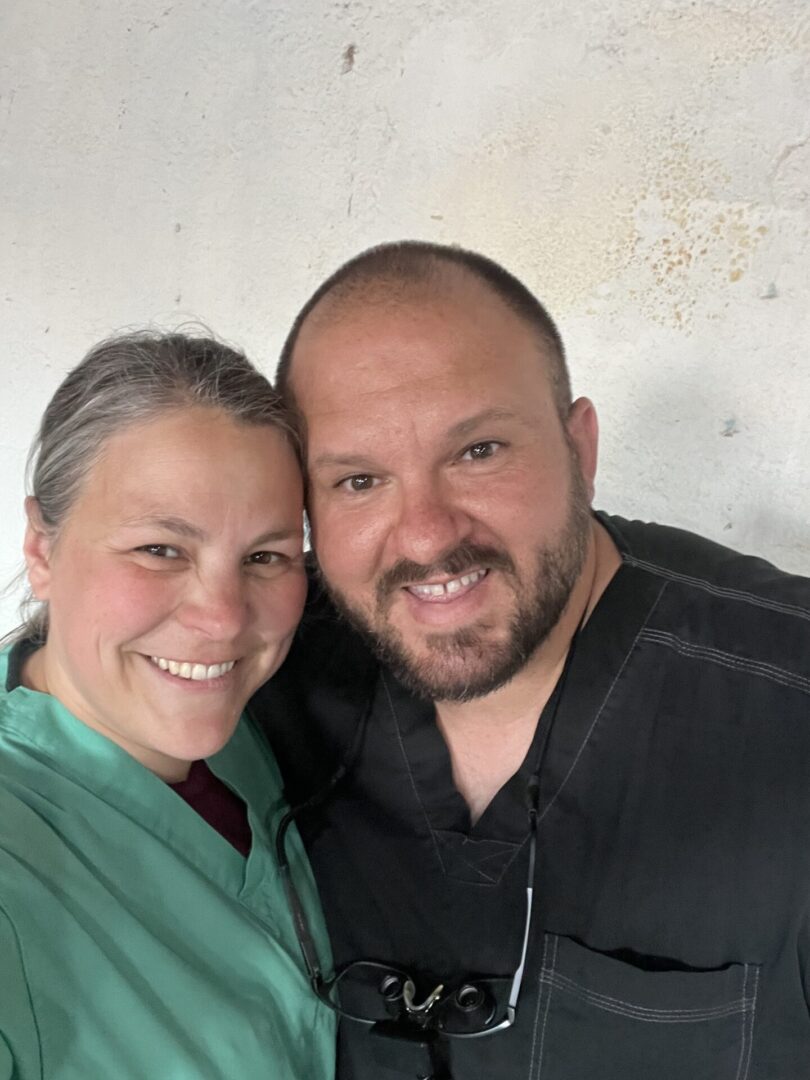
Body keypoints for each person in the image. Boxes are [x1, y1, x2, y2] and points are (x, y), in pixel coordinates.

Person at [255, 240, 810, 1080]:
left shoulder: (787, 704)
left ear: (579, 449)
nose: (429, 535)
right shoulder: (252, 674)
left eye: (478, 451)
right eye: (359, 481)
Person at [0, 332, 335, 1079]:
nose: (223, 618)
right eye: (159, 549)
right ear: (43, 549)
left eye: (265, 557)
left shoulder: (247, 738)